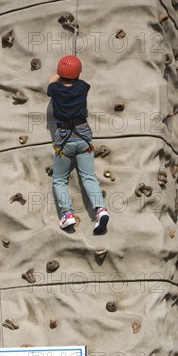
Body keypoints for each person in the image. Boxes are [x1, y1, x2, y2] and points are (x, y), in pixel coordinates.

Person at [47, 55, 109, 234]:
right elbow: (77, 80)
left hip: (65, 140)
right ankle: (101, 210)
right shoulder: (82, 87)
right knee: (88, 177)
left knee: (59, 180)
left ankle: (67, 214)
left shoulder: (55, 89)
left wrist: (59, 74)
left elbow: (51, 81)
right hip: (84, 137)